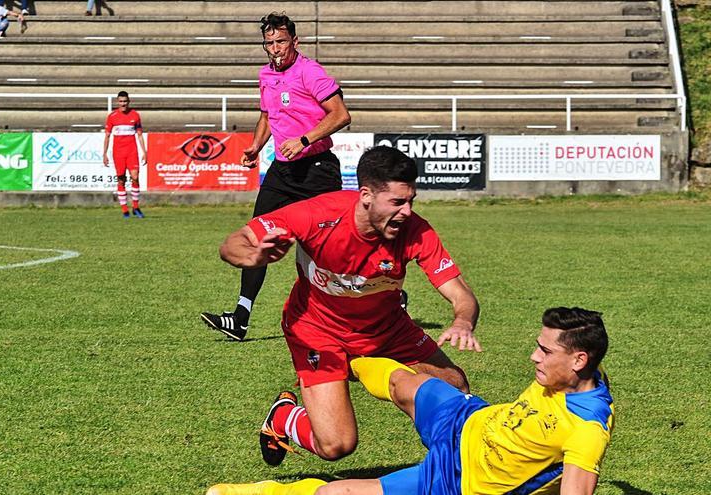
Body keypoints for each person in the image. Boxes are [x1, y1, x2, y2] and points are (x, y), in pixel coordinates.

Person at [215, 146, 480, 466]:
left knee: (455, 388)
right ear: (366, 195)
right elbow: (234, 242)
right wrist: (251, 256)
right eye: (397, 202)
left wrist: (463, 321)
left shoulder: (415, 230)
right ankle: (284, 418)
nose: (407, 211)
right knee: (336, 445)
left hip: (388, 329)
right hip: (317, 332)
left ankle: (450, 469)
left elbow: (460, 293)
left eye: (411, 200)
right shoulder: (316, 215)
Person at [207, 307, 614, 495]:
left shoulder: (587, 430)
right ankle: (339, 361)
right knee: (403, 380)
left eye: (545, 351)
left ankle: (245, 492)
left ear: (579, 360)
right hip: (469, 418)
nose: (533, 357)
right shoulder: (575, 373)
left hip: (455, 479)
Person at [200, 11, 351, 341]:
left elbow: (341, 114)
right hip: (282, 172)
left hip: (317, 171)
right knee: (256, 236)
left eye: (281, 41)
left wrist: (305, 139)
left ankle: (383, 298)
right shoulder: (266, 75)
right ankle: (240, 317)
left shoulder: (309, 72)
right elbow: (268, 115)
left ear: (294, 41)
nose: (275, 48)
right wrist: (255, 146)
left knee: (331, 248)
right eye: (269, 43)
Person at [103, 91, 147, 219]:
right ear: (118, 102)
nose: (123, 104)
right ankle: (124, 210)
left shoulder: (135, 115)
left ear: (129, 102)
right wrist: (104, 153)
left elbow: (139, 135)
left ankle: (136, 207)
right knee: (121, 179)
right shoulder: (112, 116)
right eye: (121, 101)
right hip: (118, 153)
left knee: (135, 176)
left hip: (132, 151)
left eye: (125, 101)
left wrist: (144, 151)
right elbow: (107, 136)